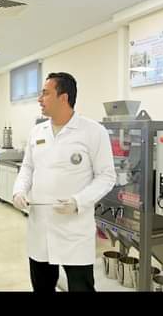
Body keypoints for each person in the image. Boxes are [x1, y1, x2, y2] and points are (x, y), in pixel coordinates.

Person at [12, 72, 115, 292]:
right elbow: (28, 167)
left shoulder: (93, 131)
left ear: (63, 97)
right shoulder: (37, 131)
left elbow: (107, 176)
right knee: (41, 286)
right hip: (40, 226)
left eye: (45, 93)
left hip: (74, 229)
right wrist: (19, 190)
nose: (39, 99)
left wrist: (79, 201)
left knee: (81, 287)